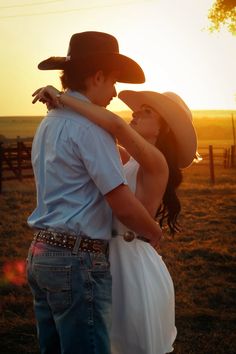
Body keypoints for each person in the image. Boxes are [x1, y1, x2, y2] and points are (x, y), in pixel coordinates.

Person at [32, 85, 198, 354]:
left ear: (162, 129)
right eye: (137, 111)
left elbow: (115, 126)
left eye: (146, 113)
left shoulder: (156, 162)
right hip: (103, 257)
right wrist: (62, 109)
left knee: (129, 342)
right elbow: (96, 133)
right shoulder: (125, 157)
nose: (135, 115)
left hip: (133, 264)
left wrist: (64, 98)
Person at [27, 31, 163, 354]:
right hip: (77, 260)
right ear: (98, 76)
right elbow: (121, 204)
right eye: (113, 81)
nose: (115, 92)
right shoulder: (91, 129)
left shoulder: (50, 121)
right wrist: (153, 230)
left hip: (41, 254)